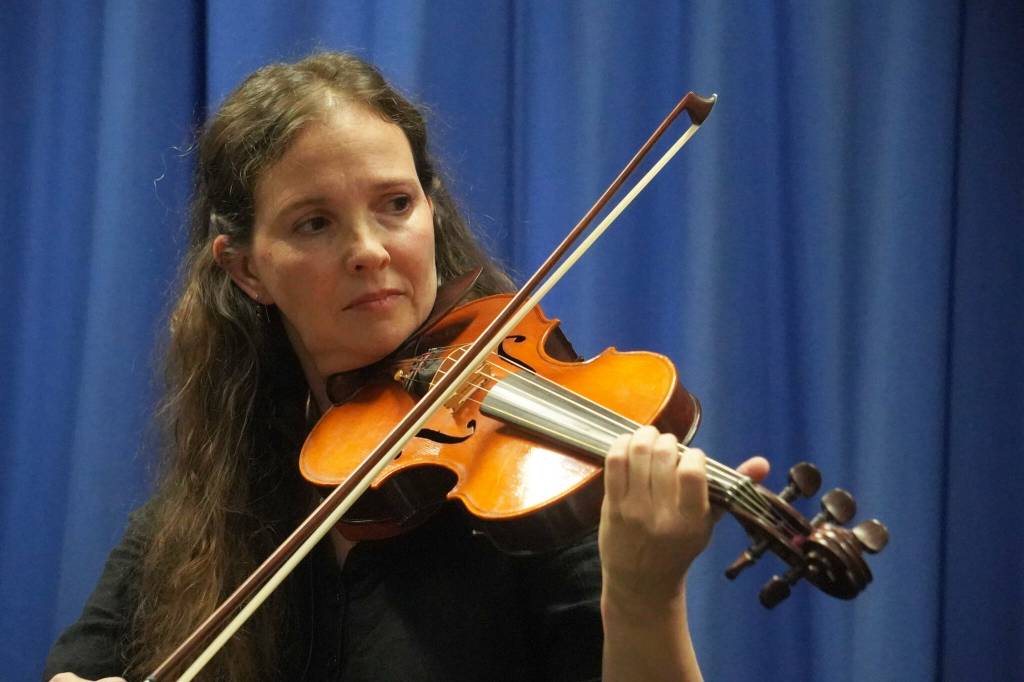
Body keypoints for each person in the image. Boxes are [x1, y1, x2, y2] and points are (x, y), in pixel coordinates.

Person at [44, 52, 768, 682]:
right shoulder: (212, 502)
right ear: (245, 271)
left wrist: (646, 596)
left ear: (431, 210)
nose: (369, 249)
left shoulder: (526, 484)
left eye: (395, 204)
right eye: (314, 223)